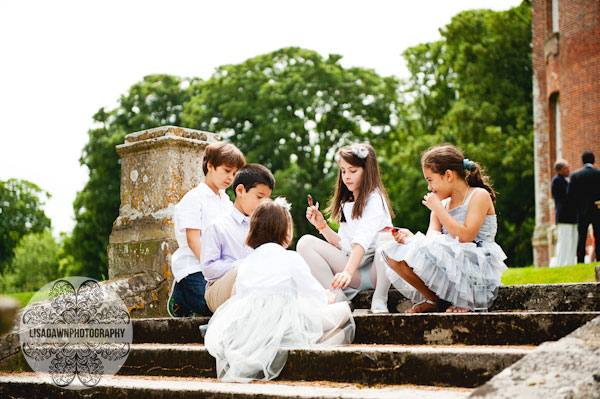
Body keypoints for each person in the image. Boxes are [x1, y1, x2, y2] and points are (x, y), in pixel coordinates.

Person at [204, 198, 355, 382]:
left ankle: (279, 355)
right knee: (343, 313)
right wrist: (327, 298)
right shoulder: (291, 258)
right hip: (287, 323)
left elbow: (244, 298)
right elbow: (314, 294)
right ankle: (301, 357)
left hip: (254, 327)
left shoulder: (245, 263)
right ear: (284, 230)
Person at [382, 144, 507, 313]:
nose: (429, 188)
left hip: (476, 264)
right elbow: (431, 243)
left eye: (430, 180)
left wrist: (438, 210)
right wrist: (410, 239)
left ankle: (466, 301)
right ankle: (435, 300)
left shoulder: (479, 195)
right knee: (394, 255)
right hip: (453, 264)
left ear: (448, 175)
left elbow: (465, 237)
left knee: (424, 248)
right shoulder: (441, 205)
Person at [296, 143, 395, 313]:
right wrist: (322, 226)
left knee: (388, 238)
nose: (346, 176)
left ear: (367, 170)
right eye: (343, 171)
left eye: (353, 171)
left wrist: (347, 272)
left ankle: (380, 298)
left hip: (376, 272)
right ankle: (339, 299)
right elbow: (344, 245)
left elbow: (362, 240)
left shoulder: (376, 199)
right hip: (353, 272)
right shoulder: (345, 203)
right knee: (305, 243)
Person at [167, 141, 245, 318]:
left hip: (220, 268)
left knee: (236, 303)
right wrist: (211, 267)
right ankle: (182, 295)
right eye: (226, 171)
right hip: (194, 268)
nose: (230, 178)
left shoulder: (226, 202)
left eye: (234, 174)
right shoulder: (194, 199)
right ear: (210, 166)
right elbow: (193, 240)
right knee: (214, 308)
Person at [201, 163, 275, 313]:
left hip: (255, 287)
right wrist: (245, 264)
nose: (264, 204)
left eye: (267, 199)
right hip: (218, 289)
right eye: (259, 197)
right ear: (240, 190)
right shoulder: (218, 225)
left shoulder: (264, 227)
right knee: (245, 271)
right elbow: (208, 268)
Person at [567, 151, 600, 263]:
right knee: (598, 235)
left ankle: (580, 260)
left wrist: (577, 206)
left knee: (581, 237)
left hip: (581, 211)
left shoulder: (576, 175)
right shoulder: (598, 173)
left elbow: (570, 195)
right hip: (597, 209)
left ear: (582, 161)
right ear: (593, 160)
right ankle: (599, 258)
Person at [550, 159, 578, 267]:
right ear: (559, 170)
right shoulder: (557, 181)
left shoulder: (566, 180)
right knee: (564, 242)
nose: (568, 170)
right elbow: (566, 198)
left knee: (573, 241)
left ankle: (571, 263)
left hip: (572, 216)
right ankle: (561, 264)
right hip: (564, 217)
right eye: (566, 168)